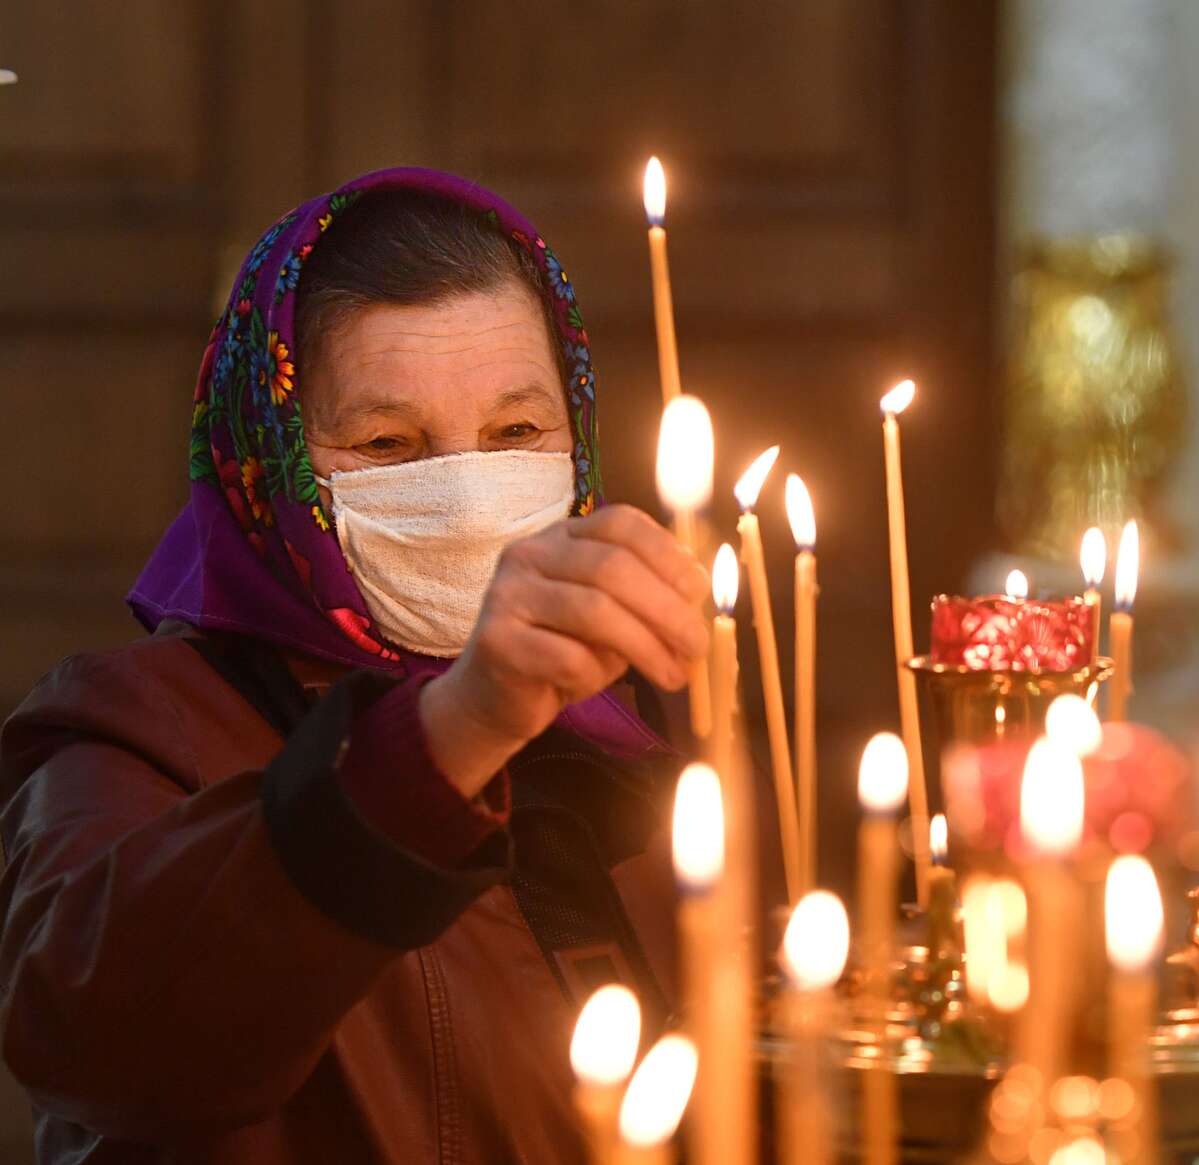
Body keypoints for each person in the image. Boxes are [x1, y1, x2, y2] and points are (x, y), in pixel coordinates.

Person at [0, 168, 707, 1161]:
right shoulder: (132, 731)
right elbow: (91, 1038)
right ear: (270, 458)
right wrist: (454, 728)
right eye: (387, 442)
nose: (466, 502)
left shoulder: (629, 713)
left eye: (515, 433)